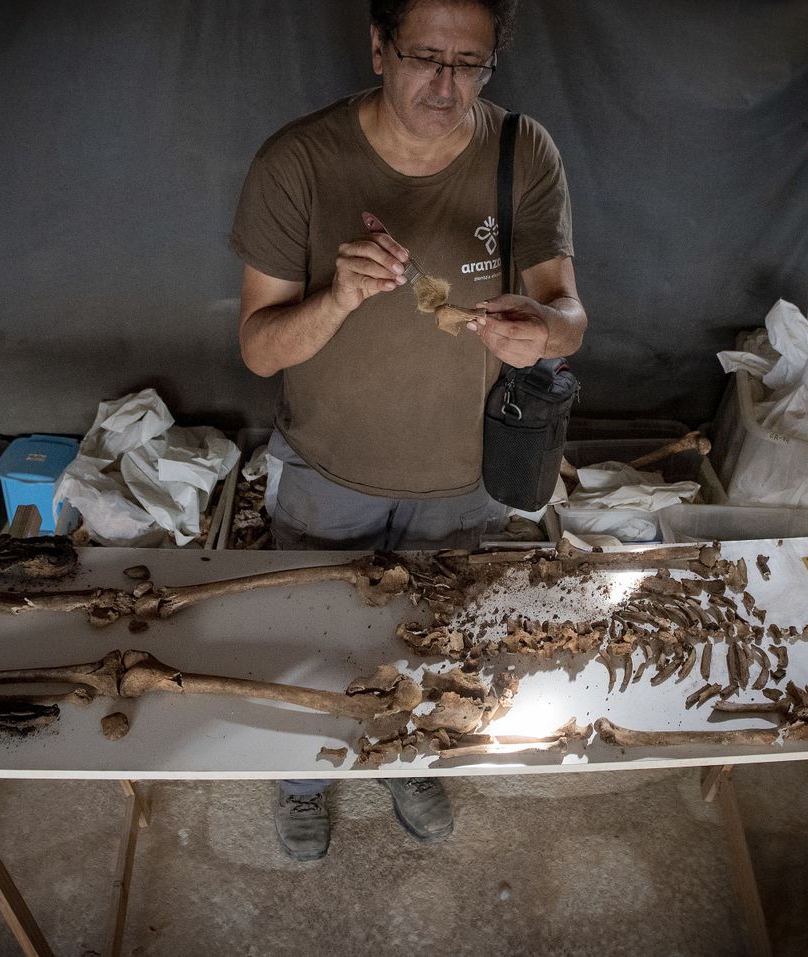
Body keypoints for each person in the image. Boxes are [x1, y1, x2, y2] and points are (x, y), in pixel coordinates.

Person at [229, 0, 586, 862]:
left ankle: (403, 756)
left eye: (471, 64)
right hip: (327, 472)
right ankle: (306, 775)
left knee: (431, 642)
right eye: (426, 57)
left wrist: (542, 330)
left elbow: (571, 317)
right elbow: (258, 348)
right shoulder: (301, 160)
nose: (446, 86)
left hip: (464, 480)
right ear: (379, 47)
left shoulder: (520, 150)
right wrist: (340, 294)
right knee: (311, 649)